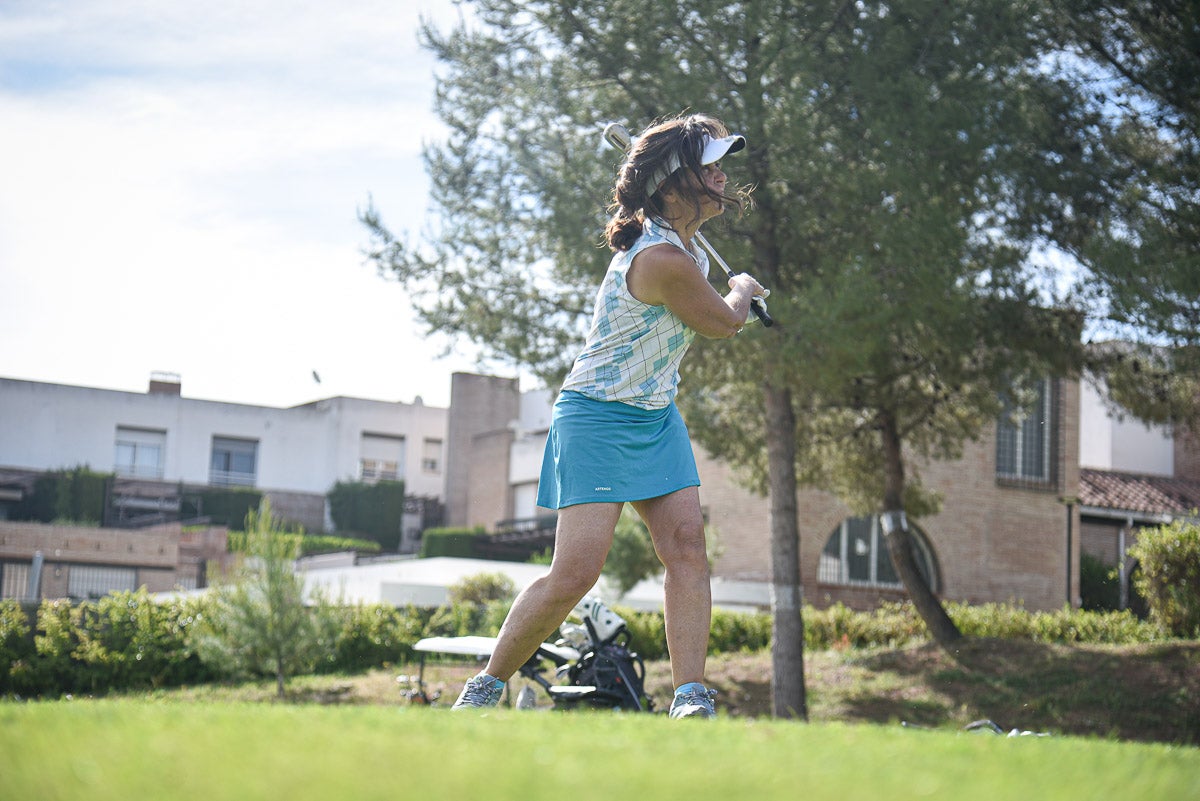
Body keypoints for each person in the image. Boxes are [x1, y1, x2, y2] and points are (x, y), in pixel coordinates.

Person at [452, 113, 767, 719]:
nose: (723, 175)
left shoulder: (680, 246)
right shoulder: (663, 259)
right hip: (596, 416)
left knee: (687, 547)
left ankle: (691, 696)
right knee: (575, 574)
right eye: (709, 166)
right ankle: (485, 686)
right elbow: (724, 324)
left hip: (653, 415)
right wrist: (745, 290)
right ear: (675, 183)